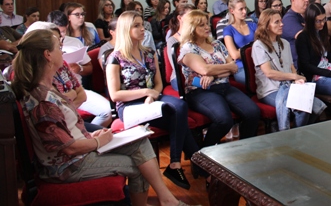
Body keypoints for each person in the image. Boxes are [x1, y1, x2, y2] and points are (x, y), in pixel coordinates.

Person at [12, 29, 196, 206]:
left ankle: (167, 200)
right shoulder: (43, 101)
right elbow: (68, 148)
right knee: (137, 165)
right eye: (58, 49)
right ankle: (160, 201)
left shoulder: (47, 88)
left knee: (140, 141)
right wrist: (98, 142)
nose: (62, 52)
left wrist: (91, 136)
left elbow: (66, 132)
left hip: (77, 152)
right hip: (67, 167)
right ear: (48, 55)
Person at [106, 11, 199, 190]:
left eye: (142, 24)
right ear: (125, 30)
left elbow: (158, 84)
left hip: (152, 98)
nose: (143, 29)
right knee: (177, 119)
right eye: (137, 26)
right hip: (130, 105)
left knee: (180, 106)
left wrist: (152, 94)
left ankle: (175, 163)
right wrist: (146, 92)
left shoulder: (149, 52)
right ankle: (197, 163)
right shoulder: (115, 58)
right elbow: (115, 95)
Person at [178, 10, 260, 148]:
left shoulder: (217, 44)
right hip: (201, 91)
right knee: (224, 120)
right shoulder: (188, 49)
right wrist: (221, 69)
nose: (207, 27)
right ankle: (204, 152)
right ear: (191, 29)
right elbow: (205, 69)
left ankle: (244, 148)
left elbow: (234, 67)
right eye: (201, 25)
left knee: (253, 112)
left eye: (207, 24)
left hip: (224, 86)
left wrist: (213, 75)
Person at [25, 22, 112, 129]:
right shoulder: (37, 72)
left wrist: (71, 97)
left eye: (60, 39)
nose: (61, 45)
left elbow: (81, 93)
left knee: (107, 113)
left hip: (69, 110)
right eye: (55, 41)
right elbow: (54, 102)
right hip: (59, 121)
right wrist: (72, 95)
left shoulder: (62, 62)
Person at [252, 9, 326, 130]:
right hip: (270, 90)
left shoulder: (285, 43)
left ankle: (297, 133)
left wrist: (296, 80)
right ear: (266, 26)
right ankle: (293, 134)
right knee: (302, 107)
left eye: (281, 21)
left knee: (313, 105)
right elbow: (269, 73)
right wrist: (294, 76)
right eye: (277, 22)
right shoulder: (258, 45)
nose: (282, 24)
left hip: (289, 86)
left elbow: (291, 67)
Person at [222, 0, 256, 86]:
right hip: (241, 67)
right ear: (232, 10)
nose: (245, 12)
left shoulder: (253, 25)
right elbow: (234, 55)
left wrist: (242, 50)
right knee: (255, 81)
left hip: (257, 63)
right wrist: (252, 47)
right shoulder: (228, 30)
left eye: (245, 8)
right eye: (241, 9)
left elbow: (261, 47)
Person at [166, 4, 195, 92]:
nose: (194, 18)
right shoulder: (172, 40)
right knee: (204, 86)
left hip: (201, 72)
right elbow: (177, 67)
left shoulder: (198, 36)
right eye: (190, 15)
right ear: (180, 18)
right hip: (181, 77)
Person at [282, 0, 310, 67]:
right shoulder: (289, 19)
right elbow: (304, 37)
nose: (307, 0)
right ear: (293, 0)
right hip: (298, 64)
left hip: (310, 60)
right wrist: (312, 28)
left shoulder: (303, 16)